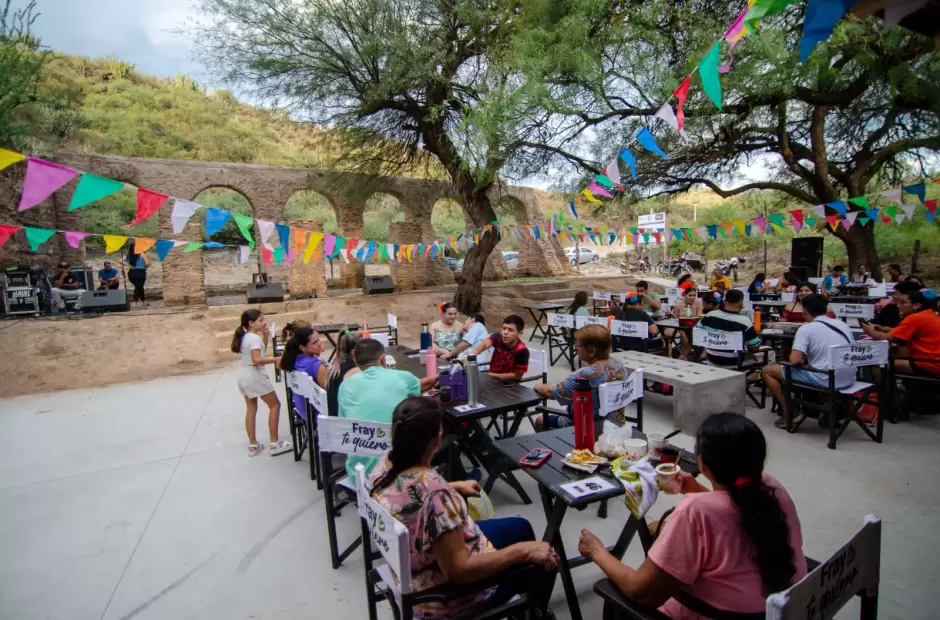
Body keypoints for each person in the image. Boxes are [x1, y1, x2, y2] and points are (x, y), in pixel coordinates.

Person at [578, 413, 806, 619]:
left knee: (615, 601)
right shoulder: (771, 488)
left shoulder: (696, 511)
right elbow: (734, 513)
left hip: (717, 614)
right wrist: (697, 490)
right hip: (782, 608)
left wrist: (596, 551)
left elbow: (642, 592)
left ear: (703, 465)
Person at [368, 397, 557, 620]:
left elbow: (410, 496)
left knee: (521, 528)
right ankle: (534, 612)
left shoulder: (386, 465)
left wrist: (452, 487)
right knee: (543, 557)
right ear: (436, 438)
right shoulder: (434, 494)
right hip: (444, 598)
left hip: (414, 568)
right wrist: (524, 551)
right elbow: (459, 571)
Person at [338, 338, 437, 479]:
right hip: (394, 474)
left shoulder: (345, 385)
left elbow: (343, 423)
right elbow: (420, 389)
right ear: (383, 358)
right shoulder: (403, 377)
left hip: (357, 473)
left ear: (355, 359)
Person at [762, 294, 856, 429]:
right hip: (849, 378)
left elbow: (794, 360)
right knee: (812, 366)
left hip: (825, 379)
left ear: (804, 311)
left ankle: (790, 411)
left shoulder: (806, 329)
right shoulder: (842, 325)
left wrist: (801, 357)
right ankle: (822, 408)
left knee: (768, 370)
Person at [534, 325, 627, 429]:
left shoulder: (585, 375)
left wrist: (536, 386)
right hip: (615, 423)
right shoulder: (619, 365)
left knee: (540, 421)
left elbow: (550, 392)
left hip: (586, 429)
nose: (576, 348)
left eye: (578, 345)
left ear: (592, 351)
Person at [231, 310, 291, 456]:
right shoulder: (254, 339)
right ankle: (274, 443)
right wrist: (277, 359)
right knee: (275, 405)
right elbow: (257, 359)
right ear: (251, 323)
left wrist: (265, 337)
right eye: (261, 320)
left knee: (251, 408)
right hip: (255, 376)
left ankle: (252, 445)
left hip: (244, 375)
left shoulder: (246, 337)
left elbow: (258, 353)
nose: (264, 323)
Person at [863, 289, 940, 377]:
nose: (898, 305)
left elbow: (885, 338)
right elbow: (902, 331)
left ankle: (885, 386)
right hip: (933, 359)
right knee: (894, 351)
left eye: (902, 302)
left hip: (931, 363)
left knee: (878, 366)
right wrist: (883, 329)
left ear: (916, 305)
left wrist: (868, 330)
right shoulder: (929, 314)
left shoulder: (914, 318)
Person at [698, 289, 762, 366]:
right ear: (741, 303)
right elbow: (755, 348)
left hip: (711, 358)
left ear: (724, 301)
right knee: (770, 352)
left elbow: (698, 332)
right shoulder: (745, 322)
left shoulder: (709, 315)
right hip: (735, 362)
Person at [280, 327, 329, 417]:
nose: (319, 344)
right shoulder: (317, 365)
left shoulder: (292, 359)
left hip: (302, 409)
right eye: (314, 342)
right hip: (317, 414)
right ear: (302, 347)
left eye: (318, 340)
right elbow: (329, 392)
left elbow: (278, 364)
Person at [469, 315, 530, 381]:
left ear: (520, 334)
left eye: (510, 330)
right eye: (504, 328)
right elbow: (484, 344)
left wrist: (491, 375)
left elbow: (517, 376)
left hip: (508, 384)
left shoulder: (522, 351)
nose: (505, 332)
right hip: (491, 379)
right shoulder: (498, 337)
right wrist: (471, 356)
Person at [327, 330, 362, 417]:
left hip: (334, 415)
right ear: (354, 352)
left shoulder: (337, 364)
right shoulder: (353, 371)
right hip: (342, 419)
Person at [669, 288, 703, 360]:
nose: (692, 297)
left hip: (695, 326)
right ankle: (687, 351)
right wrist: (672, 315)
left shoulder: (698, 303)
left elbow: (699, 316)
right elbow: (676, 319)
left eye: (694, 295)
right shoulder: (678, 305)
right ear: (685, 295)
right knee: (683, 332)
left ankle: (689, 353)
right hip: (683, 326)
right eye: (690, 295)